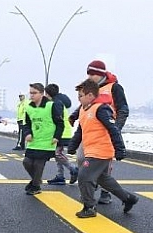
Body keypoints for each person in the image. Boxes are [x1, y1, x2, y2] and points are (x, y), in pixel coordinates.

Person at [67, 79, 138, 218]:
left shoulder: (101, 109)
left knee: (83, 176)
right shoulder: (83, 110)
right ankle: (128, 199)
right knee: (103, 179)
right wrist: (72, 145)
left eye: (81, 96)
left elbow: (113, 129)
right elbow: (80, 131)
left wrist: (120, 149)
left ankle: (89, 207)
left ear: (90, 96)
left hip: (101, 151)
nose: (79, 99)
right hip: (91, 150)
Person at [69, 60, 130, 202]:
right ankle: (90, 186)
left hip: (107, 129)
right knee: (81, 158)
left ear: (101, 74)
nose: (90, 76)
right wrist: (74, 115)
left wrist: (116, 128)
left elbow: (123, 109)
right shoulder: (90, 88)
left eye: (93, 74)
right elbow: (84, 105)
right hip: (90, 130)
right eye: (88, 73)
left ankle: (105, 192)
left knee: (104, 165)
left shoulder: (114, 87)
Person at [21, 83, 65, 195]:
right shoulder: (29, 107)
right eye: (30, 93)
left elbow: (60, 123)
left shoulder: (51, 105)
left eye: (34, 93)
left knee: (38, 164)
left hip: (47, 141)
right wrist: (27, 133)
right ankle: (37, 180)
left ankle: (35, 186)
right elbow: (26, 124)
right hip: (33, 141)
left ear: (41, 94)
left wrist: (56, 137)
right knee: (27, 162)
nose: (31, 95)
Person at [44, 83, 78, 185]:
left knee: (57, 154)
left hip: (61, 133)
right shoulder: (59, 101)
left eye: (46, 93)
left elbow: (57, 120)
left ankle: (73, 169)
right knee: (57, 154)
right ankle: (60, 176)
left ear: (48, 93)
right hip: (63, 132)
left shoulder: (56, 103)